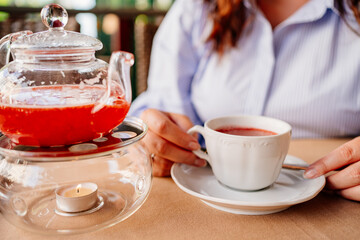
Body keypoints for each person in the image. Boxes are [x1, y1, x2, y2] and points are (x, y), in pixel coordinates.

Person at [129, 0, 360, 201]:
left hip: (328, 201)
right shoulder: (197, 8)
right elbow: (160, 105)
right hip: (203, 198)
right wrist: (154, 136)